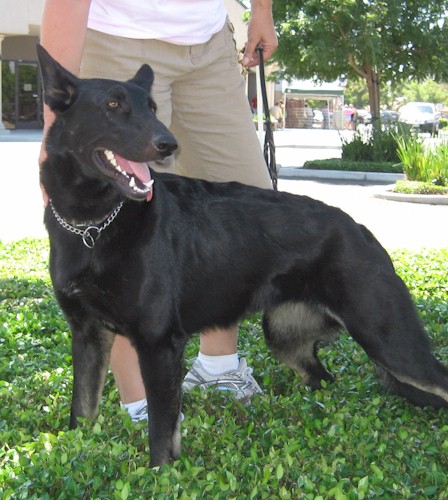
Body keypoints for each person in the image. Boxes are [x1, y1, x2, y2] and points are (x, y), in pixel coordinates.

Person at [40, 0, 278, 422]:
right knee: (122, 231)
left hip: (208, 45)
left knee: (244, 208)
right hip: (119, 39)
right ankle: (142, 402)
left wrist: (262, 11)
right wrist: (54, 133)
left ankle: (217, 366)